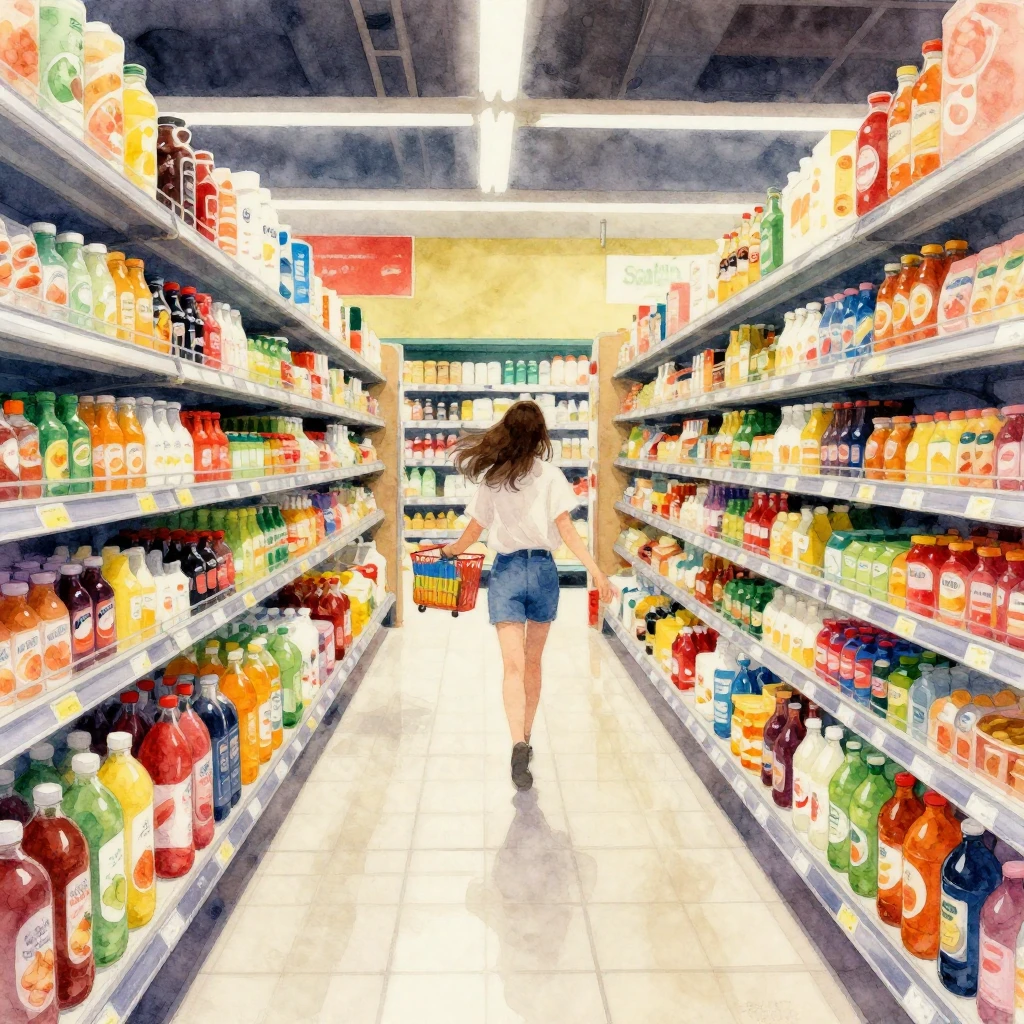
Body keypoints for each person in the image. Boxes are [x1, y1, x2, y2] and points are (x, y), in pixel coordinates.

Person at [441, 401, 613, 790]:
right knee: (533, 664)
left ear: (507, 431)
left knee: (512, 667)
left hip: (506, 573)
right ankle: (528, 738)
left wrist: (449, 551)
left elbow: (474, 531)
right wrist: (596, 571)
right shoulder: (551, 476)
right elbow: (567, 530)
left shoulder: (494, 477)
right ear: (540, 436)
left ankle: (517, 741)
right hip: (543, 573)